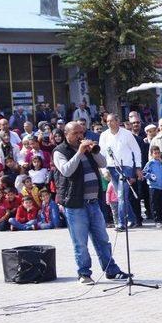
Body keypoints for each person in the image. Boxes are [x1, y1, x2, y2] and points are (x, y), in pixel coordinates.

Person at [54, 121, 130, 285]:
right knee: (80, 243)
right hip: (75, 204)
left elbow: (103, 163)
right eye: (75, 133)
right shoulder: (60, 151)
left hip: (94, 202)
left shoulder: (87, 149)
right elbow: (66, 170)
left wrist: (93, 151)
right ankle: (84, 273)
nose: (80, 136)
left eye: (81, 132)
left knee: (102, 239)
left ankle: (111, 270)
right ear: (66, 134)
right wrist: (79, 153)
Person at [99, 114, 143, 230]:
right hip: (111, 167)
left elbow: (136, 150)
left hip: (126, 167)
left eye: (111, 121)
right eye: (107, 121)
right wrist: (104, 170)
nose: (109, 123)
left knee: (121, 195)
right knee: (122, 196)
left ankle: (121, 223)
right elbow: (101, 154)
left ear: (118, 121)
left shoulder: (127, 134)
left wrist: (138, 167)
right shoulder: (104, 135)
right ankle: (132, 219)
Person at [142, 146, 162, 228]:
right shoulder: (150, 163)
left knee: (161, 204)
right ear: (152, 154)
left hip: (161, 186)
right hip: (153, 187)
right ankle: (157, 220)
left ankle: (161, 218)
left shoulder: (161, 163)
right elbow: (144, 172)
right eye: (155, 153)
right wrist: (150, 176)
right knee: (155, 204)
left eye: (158, 153)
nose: (157, 155)